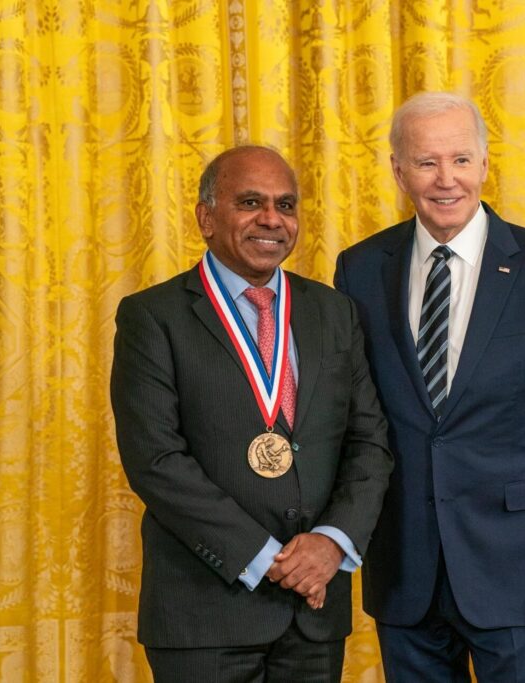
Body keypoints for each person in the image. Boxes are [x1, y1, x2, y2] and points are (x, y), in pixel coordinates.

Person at [334, 92, 525, 682]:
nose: (446, 179)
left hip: (519, 573)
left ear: (484, 164)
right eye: (426, 162)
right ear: (398, 171)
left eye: (460, 159)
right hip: (404, 568)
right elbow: (353, 416)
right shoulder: (359, 268)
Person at [111, 145, 393, 683]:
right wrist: (267, 559)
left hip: (314, 612)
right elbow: (156, 460)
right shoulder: (153, 317)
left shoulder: (334, 312)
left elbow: (369, 443)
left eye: (285, 205)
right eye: (250, 202)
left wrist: (331, 543)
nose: (271, 219)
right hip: (204, 617)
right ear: (206, 218)